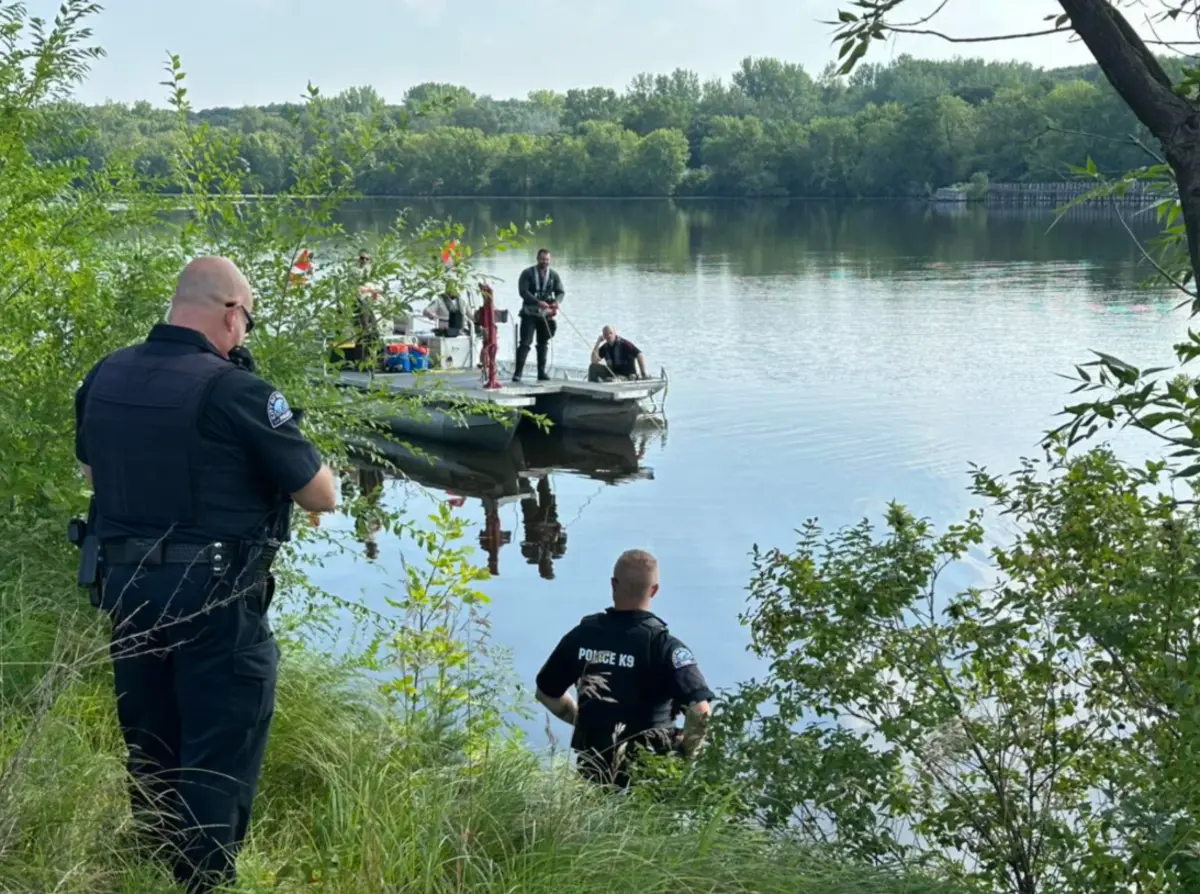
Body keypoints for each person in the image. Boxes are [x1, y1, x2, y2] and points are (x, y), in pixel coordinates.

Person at [73, 256, 338, 893]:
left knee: (151, 739)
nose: (244, 333)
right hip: (216, 604)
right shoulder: (238, 392)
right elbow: (321, 495)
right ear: (228, 312)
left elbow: (92, 474)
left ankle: (152, 867)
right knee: (219, 752)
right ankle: (203, 882)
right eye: (246, 318)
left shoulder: (105, 374)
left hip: (128, 593)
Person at [534, 549, 715, 788]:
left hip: (594, 768)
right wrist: (686, 753)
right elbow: (701, 711)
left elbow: (545, 692)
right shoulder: (663, 646)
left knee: (592, 822)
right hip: (651, 774)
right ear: (655, 590)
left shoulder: (583, 636)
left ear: (613, 584)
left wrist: (583, 722)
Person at [514, 248, 565, 382]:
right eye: (542, 259)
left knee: (543, 343)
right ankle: (518, 373)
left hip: (545, 315)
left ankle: (541, 372)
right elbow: (523, 292)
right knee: (525, 343)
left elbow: (560, 292)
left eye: (547, 260)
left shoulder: (554, 275)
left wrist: (556, 302)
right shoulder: (527, 273)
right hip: (529, 313)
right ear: (537, 259)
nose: (545, 262)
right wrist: (537, 302)